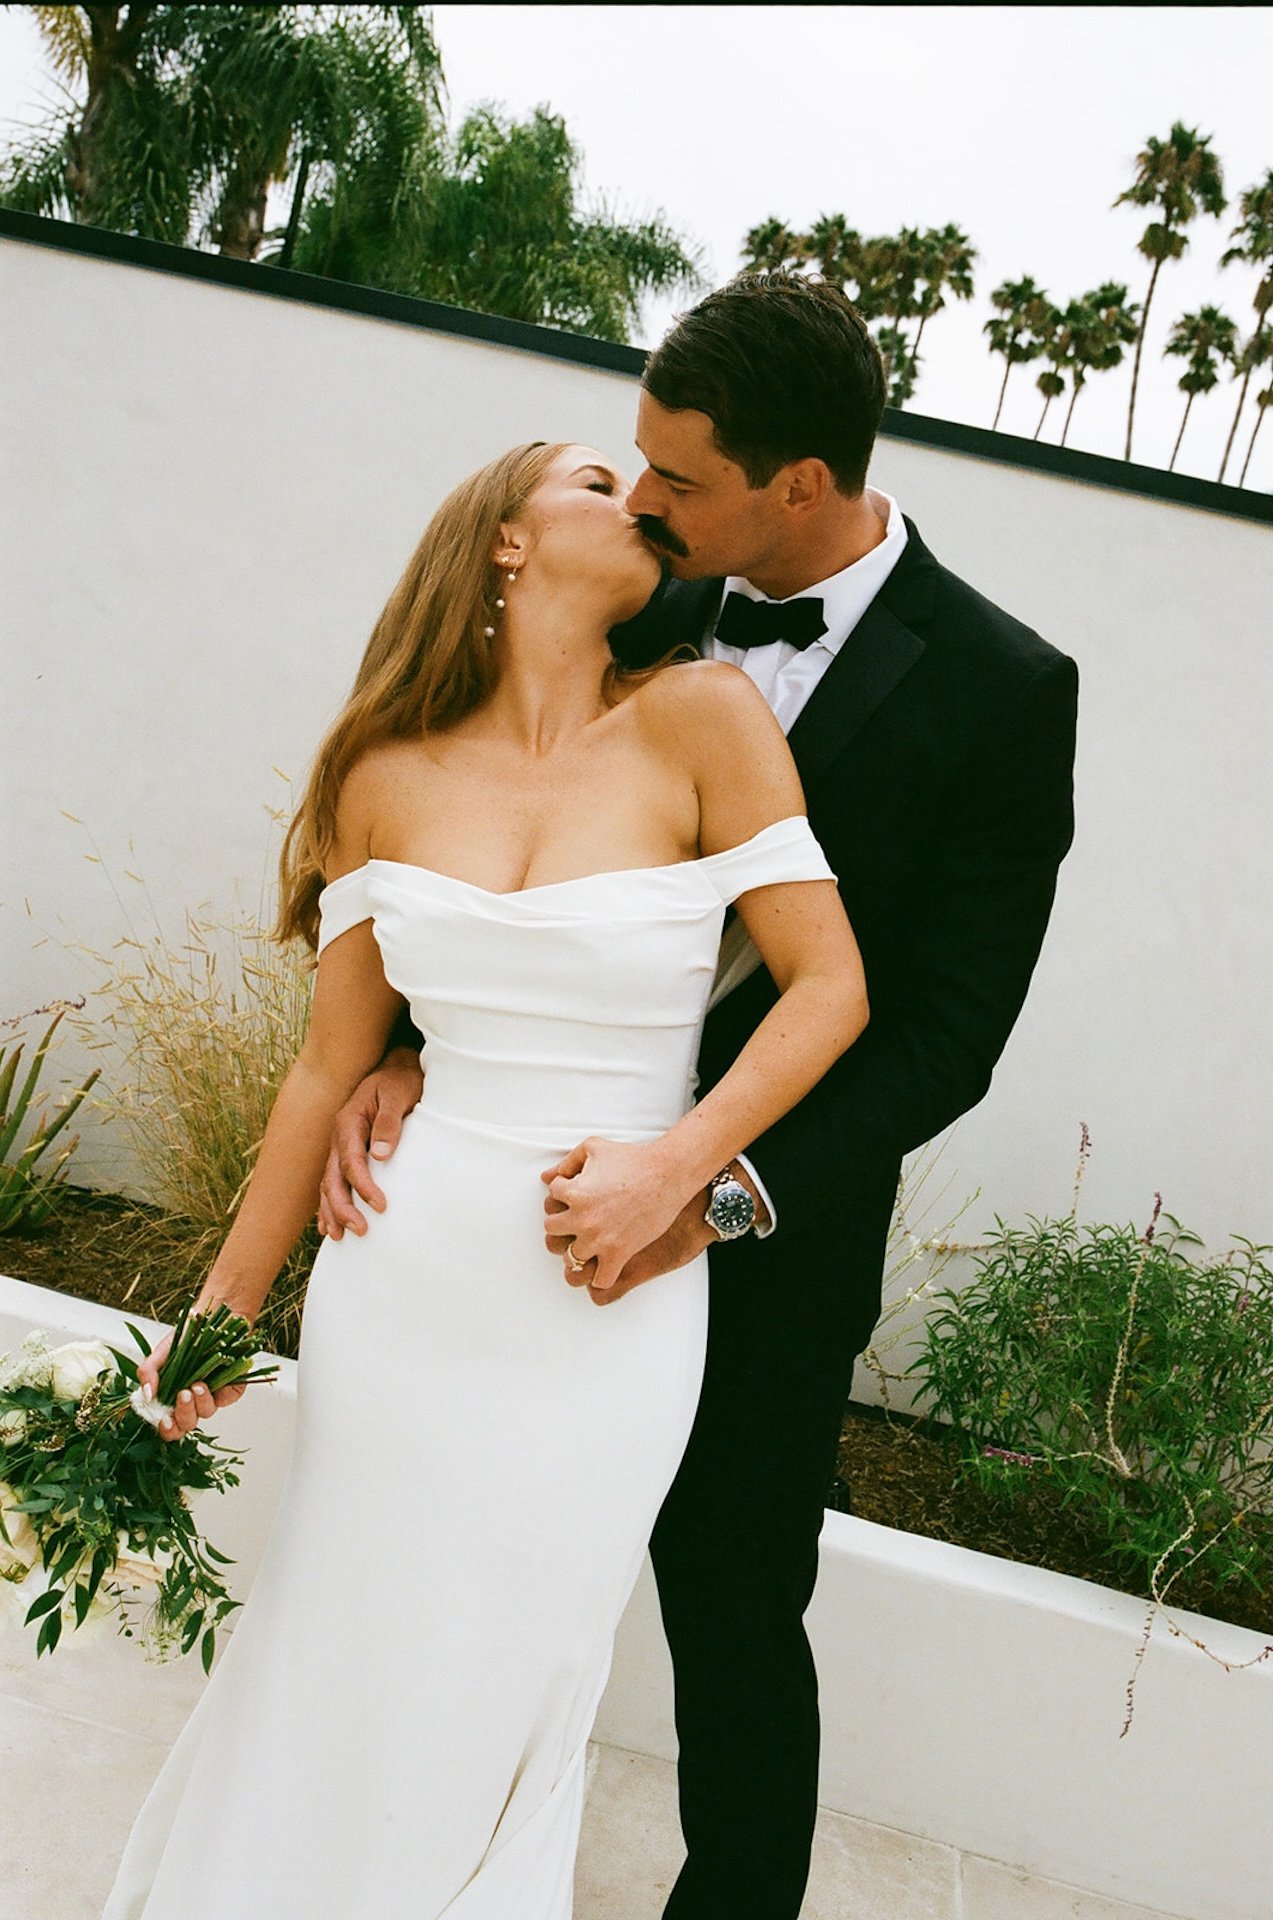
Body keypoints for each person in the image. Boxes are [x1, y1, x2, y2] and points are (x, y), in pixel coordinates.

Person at [321, 273, 1080, 1919]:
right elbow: (485, 860)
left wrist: (704, 1187)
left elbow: (945, 1033)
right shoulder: (650, 607)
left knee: (732, 1606)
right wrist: (404, 1047)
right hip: (504, 1212)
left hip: (763, 1239)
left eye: (675, 477)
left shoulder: (1006, 689)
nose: (641, 496)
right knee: (460, 1571)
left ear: (794, 484)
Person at [103, 438, 868, 1920]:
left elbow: (825, 989)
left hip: (608, 1294)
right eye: (597, 480)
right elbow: (330, 1069)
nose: (640, 500)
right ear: (504, 545)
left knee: (517, 1661)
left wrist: (673, 1168)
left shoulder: (702, 718)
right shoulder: (375, 774)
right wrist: (223, 1312)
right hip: (406, 1268)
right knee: (343, 1633)